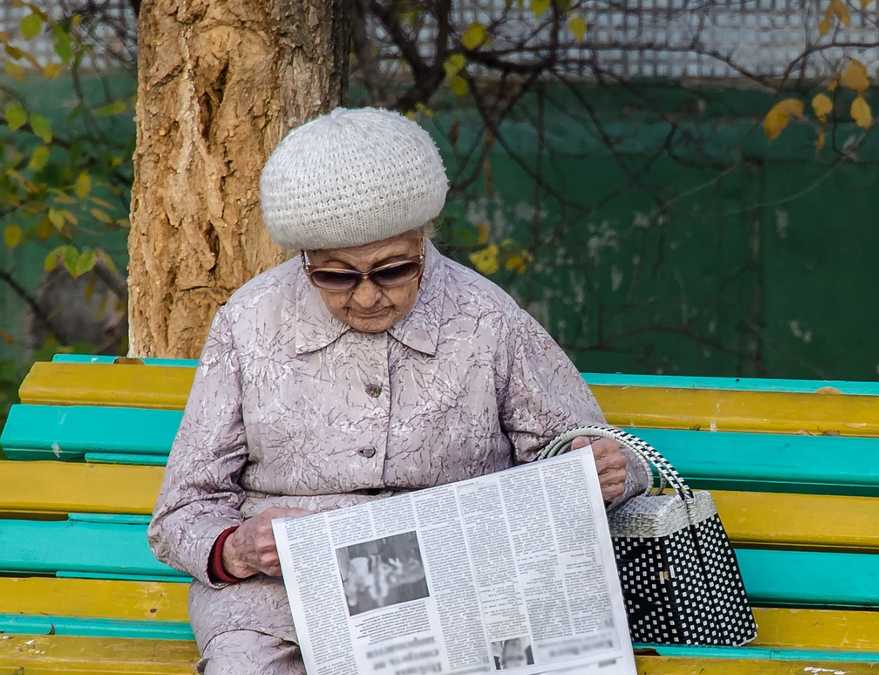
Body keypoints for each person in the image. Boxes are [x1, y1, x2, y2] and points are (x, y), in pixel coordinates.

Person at [148, 107, 649, 674]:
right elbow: (181, 512)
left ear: (423, 243)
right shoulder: (250, 321)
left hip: (459, 582)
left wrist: (608, 470)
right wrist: (238, 548)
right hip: (284, 595)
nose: (367, 298)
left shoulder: (484, 314)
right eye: (336, 276)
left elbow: (593, 452)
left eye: (391, 270)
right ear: (304, 260)